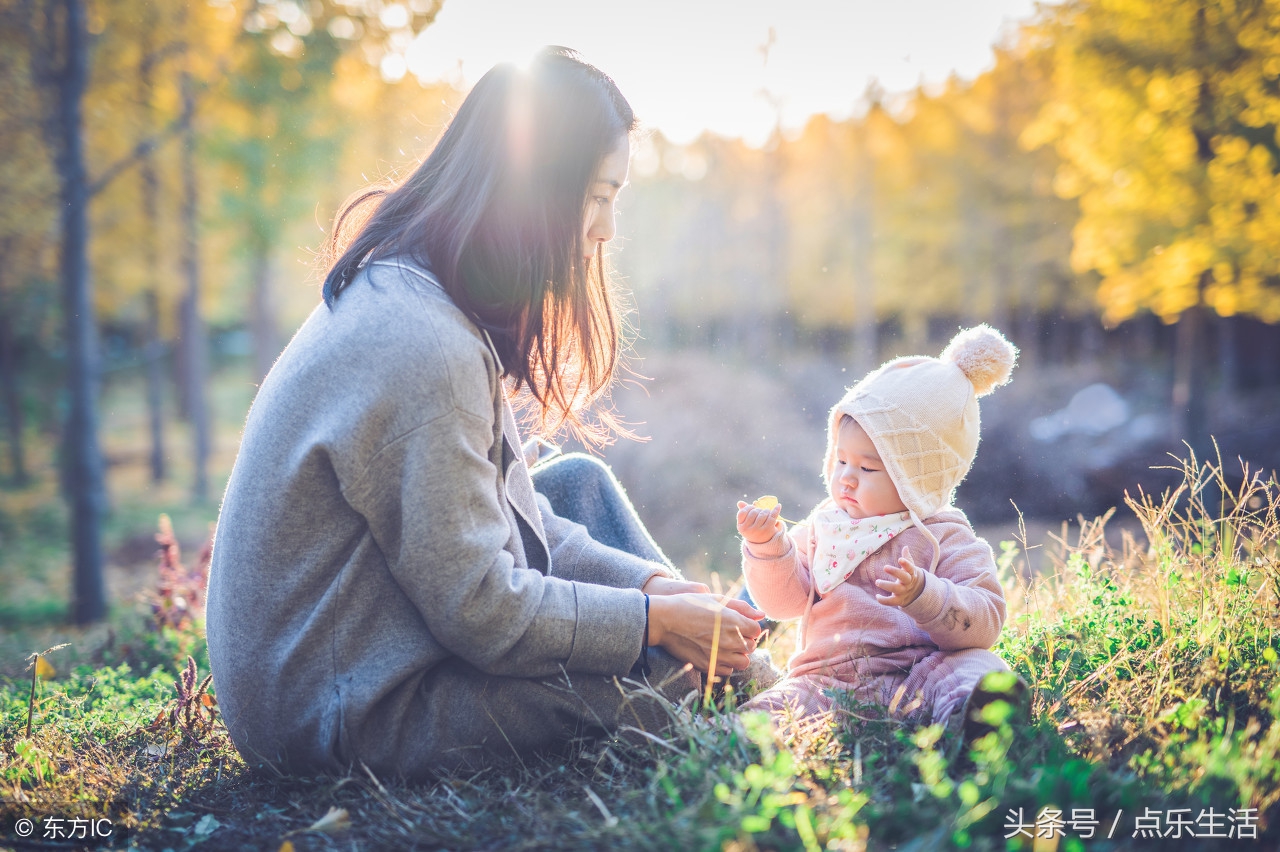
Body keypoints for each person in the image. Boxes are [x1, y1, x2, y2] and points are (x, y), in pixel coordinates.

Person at [205, 47, 763, 780]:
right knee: (658, 677)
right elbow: (483, 612)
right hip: (345, 711)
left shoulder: (419, 290)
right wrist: (650, 624)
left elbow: (505, 513)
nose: (605, 230)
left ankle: (724, 659)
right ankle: (750, 691)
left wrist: (650, 591)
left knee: (579, 487)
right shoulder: (423, 346)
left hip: (371, 638)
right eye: (598, 196)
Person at [735, 325, 1023, 735]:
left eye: (868, 468)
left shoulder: (943, 533)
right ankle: (734, 734)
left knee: (977, 666)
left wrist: (926, 595)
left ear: (918, 476)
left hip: (922, 671)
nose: (846, 478)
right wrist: (767, 548)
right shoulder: (825, 524)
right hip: (828, 680)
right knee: (781, 705)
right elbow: (783, 604)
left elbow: (986, 618)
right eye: (841, 461)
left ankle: (976, 720)